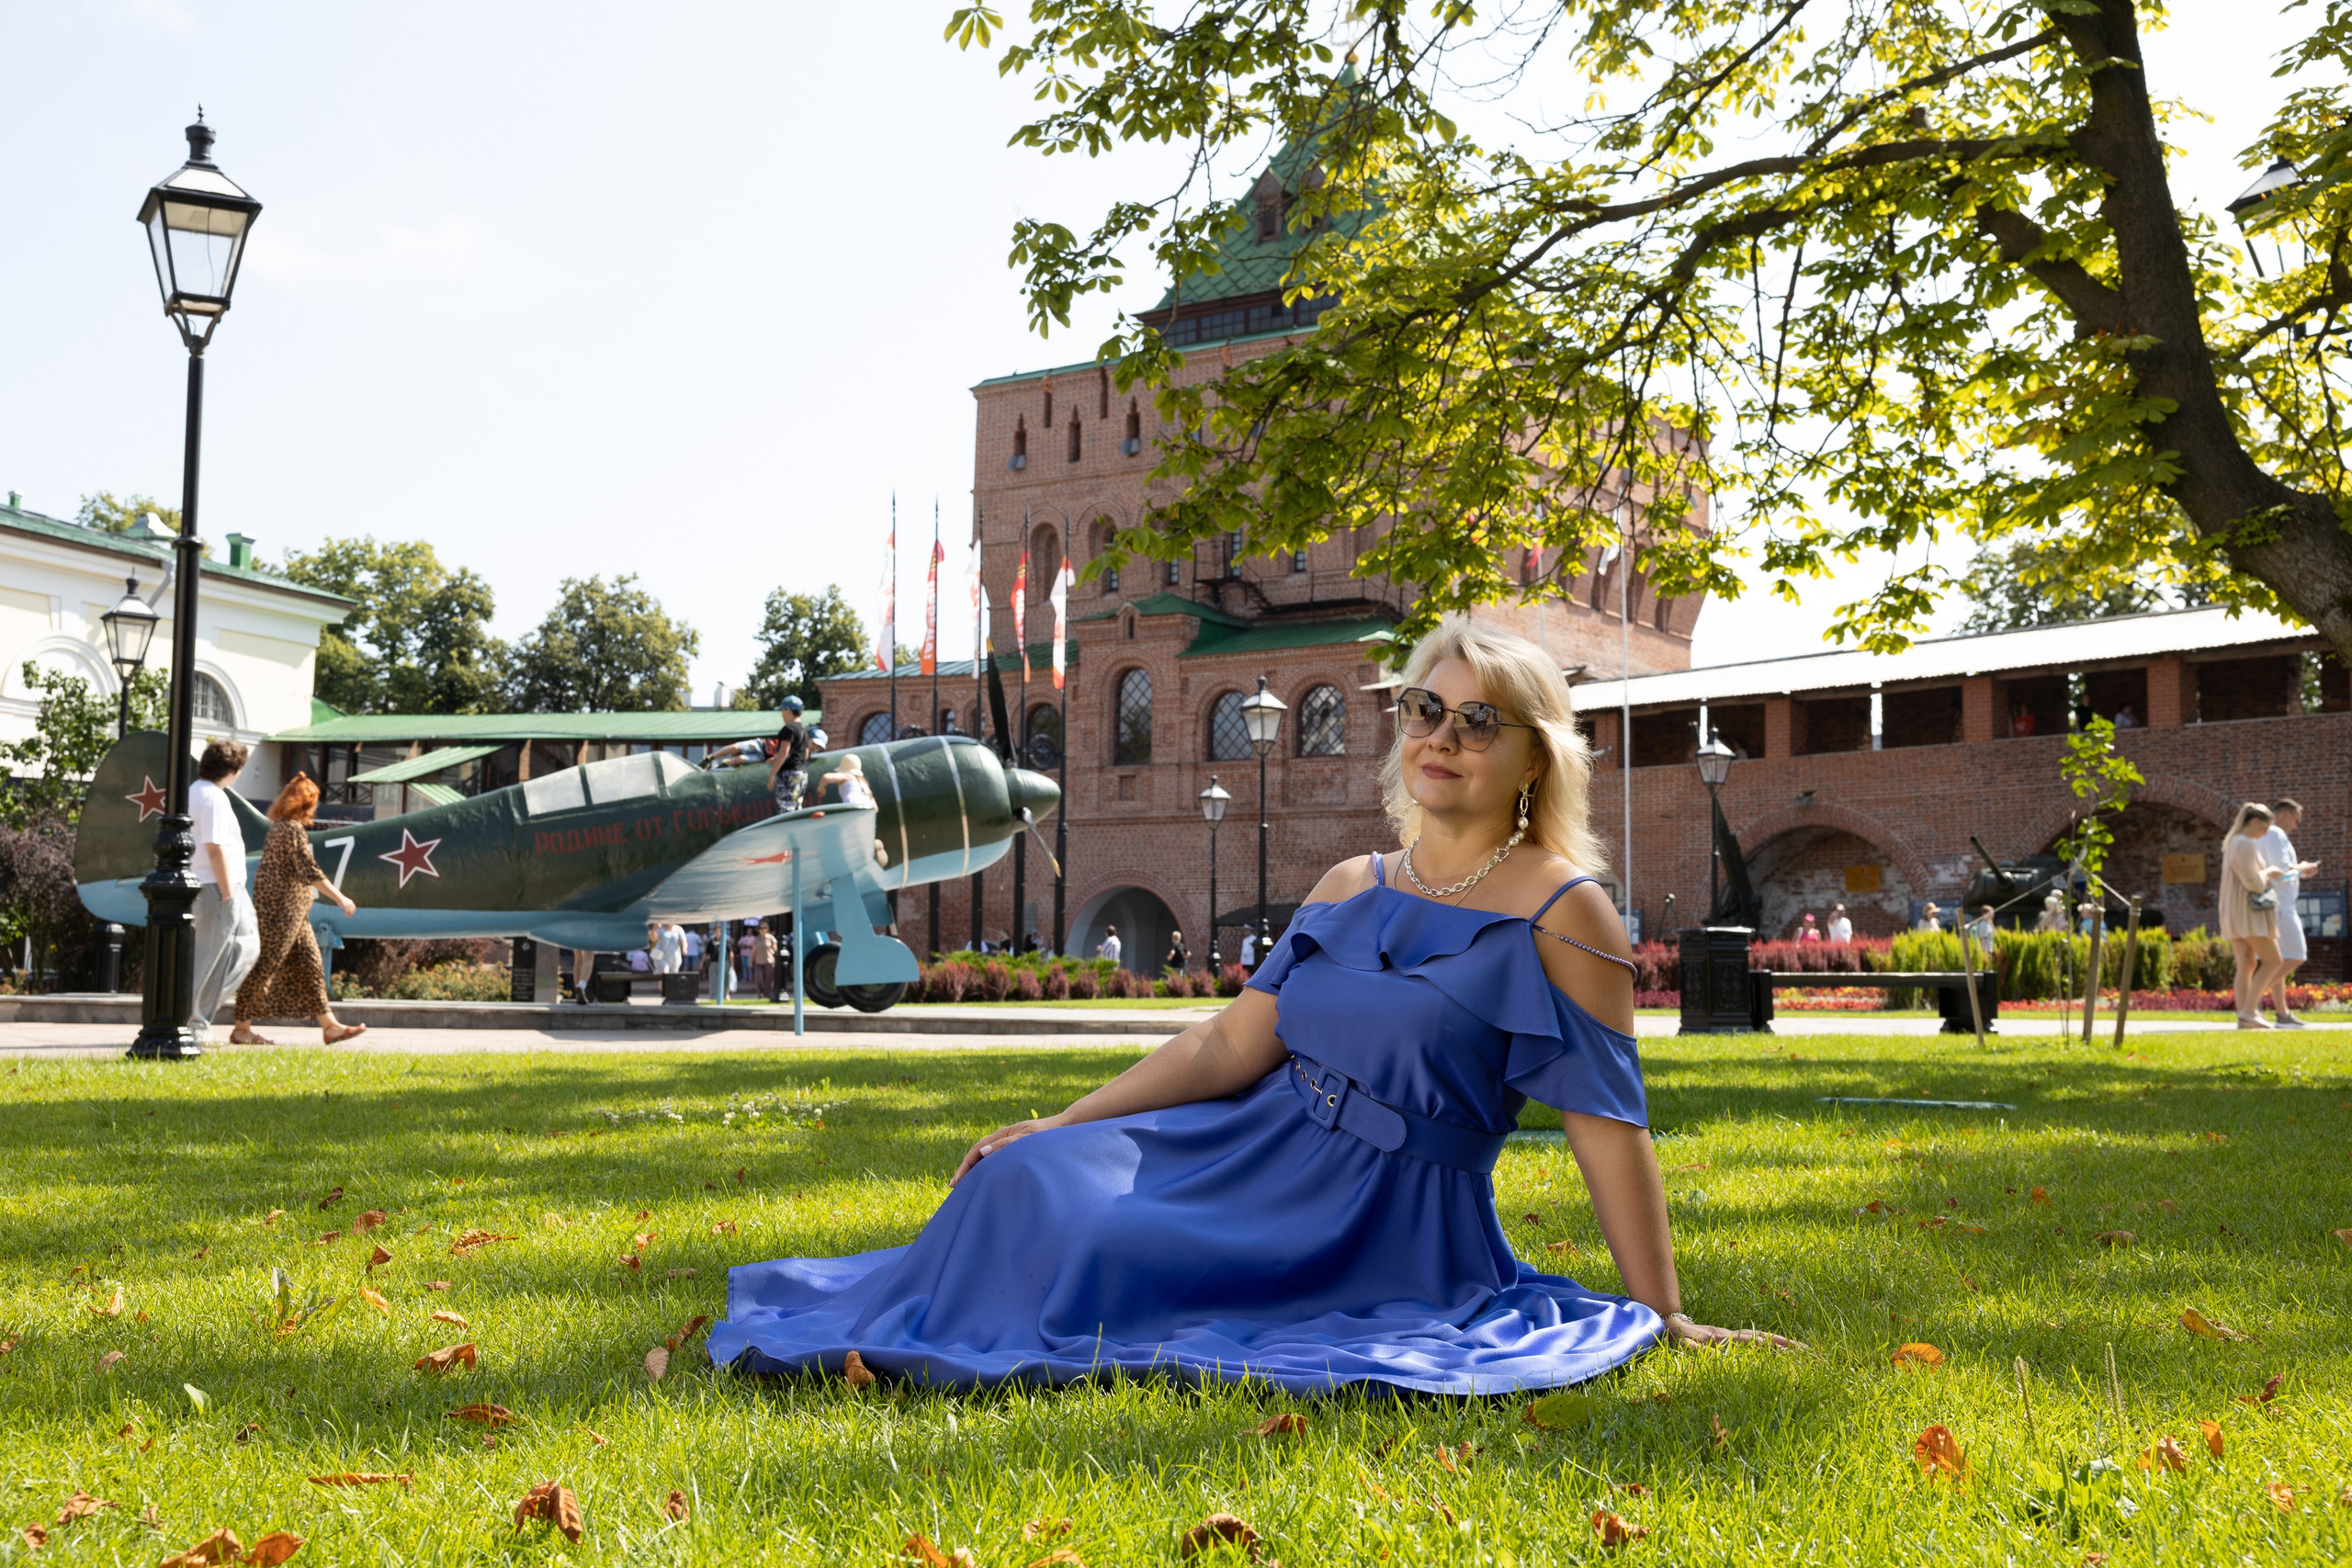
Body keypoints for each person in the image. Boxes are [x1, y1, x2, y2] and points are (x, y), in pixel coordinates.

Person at [707, 615, 1796, 1392]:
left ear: (1531, 759)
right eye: (1428, 709)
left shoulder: (1568, 913)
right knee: (1029, 1177)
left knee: (1101, 1251)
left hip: (1380, 1225)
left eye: (1480, 723)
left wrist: (1661, 1310)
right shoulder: (1348, 885)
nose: (1443, 738)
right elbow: (1231, 1041)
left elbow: (1608, 1125)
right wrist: (1061, 1120)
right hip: (1243, 1149)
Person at [228, 773, 366, 1046]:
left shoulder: (279, 827)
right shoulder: (291, 829)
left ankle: (330, 1026)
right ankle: (241, 1029)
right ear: (305, 805)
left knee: (311, 966)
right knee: (264, 966)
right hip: (282, 913)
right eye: (313, 803)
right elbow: (308, 869)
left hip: (292, 912)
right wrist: (340, 898)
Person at [187, 739, 260, 1043]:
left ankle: (198, 1016)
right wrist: (226, 887)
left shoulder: (194, 791)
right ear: (233, 769)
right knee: (211, 958)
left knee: (247, 947)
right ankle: (195, 1023)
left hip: (224, 884)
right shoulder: (214, 798)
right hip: (218, 884)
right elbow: (214, 846)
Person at [2220, 802, 2291, 1030]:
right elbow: (2252, 883)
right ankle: (2249, 1011)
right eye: (2265, 827)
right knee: (2274, 961)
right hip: (2248, 914)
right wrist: (2270, 871)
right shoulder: (2244, 844)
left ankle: (2246, 1017)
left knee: (2247, 964)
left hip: (2236, 913)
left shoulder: (2233, 843)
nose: (2266, 833)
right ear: (2255, 822)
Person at [2258, 798, 2321, 1027]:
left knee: (2279, 960)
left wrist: (2302, 872)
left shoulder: (2271, 835)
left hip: (2279, 903)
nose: (2296, 826)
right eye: (2296, 820)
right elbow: (2281, 872)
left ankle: (2282, 1014)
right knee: (2297, 955)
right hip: (2280, 905)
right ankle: (2251, 999)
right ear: (2285, 814)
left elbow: (2283, 871)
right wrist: (2302, 868)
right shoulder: (2274, 834)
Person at [767, 695, 811, 812]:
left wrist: (772, 774)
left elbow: (784, 752)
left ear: (788, 710)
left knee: (786, 809)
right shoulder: (804, 730)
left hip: (789, 774)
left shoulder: (788, 729)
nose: (782, 714)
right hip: (801, 773)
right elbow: (805, 755)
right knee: (796, 808)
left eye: (782, 710)